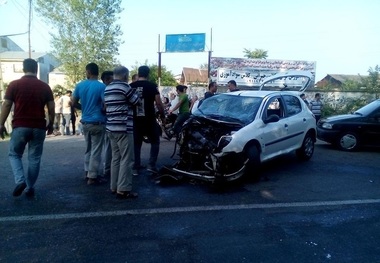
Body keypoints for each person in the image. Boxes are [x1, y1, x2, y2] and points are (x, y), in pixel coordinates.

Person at [0, 58, 54, 197]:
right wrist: (51, 124)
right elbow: (51, 107)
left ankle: (20, 180)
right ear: (36, 69)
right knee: (34, 158)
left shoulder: (14, 85)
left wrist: (1, 123)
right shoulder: (44, 86)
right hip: (39, 126)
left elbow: (6, 105)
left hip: (20, 126)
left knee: (14, 154)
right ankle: (29, 187)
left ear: (23, 69)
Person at [104, 66, 140, 199]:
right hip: (123, 128)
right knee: (127, 158)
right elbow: (136, 101)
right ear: (125, 76)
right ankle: (124, 189)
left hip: (111, 128)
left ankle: (114, 186)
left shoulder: (107, 88)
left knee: (116, 158)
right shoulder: (125, 87)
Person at [72, 63, 107, 185]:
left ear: (88, 72)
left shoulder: (80, 85)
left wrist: (84, 108)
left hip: (85, 121)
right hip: (98, 122)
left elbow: (73, 102)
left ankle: (87, 172)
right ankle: (93, 176)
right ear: (97, 72)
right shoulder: (102, 87)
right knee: (96, 150)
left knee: (88, 148)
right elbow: (105, 104)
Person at [129, 65, 166, 174]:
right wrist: (163, 115)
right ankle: (151, 165)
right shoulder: (152, 86)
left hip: (135, 119)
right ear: (148, 74)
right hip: (149, 119)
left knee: (136, 143)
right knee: (155, 141)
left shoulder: (131, 86)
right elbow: (158, 103)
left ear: (138, 73)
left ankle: (136, 166)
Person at [100, 71, 114, 177]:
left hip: (102, 121)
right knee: (109, 146)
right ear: (106, 79)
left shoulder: (102, 89)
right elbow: (105, 107)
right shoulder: (105, 90)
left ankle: (107, 168)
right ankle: (108, 169)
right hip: (107, 121)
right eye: (111, 79)